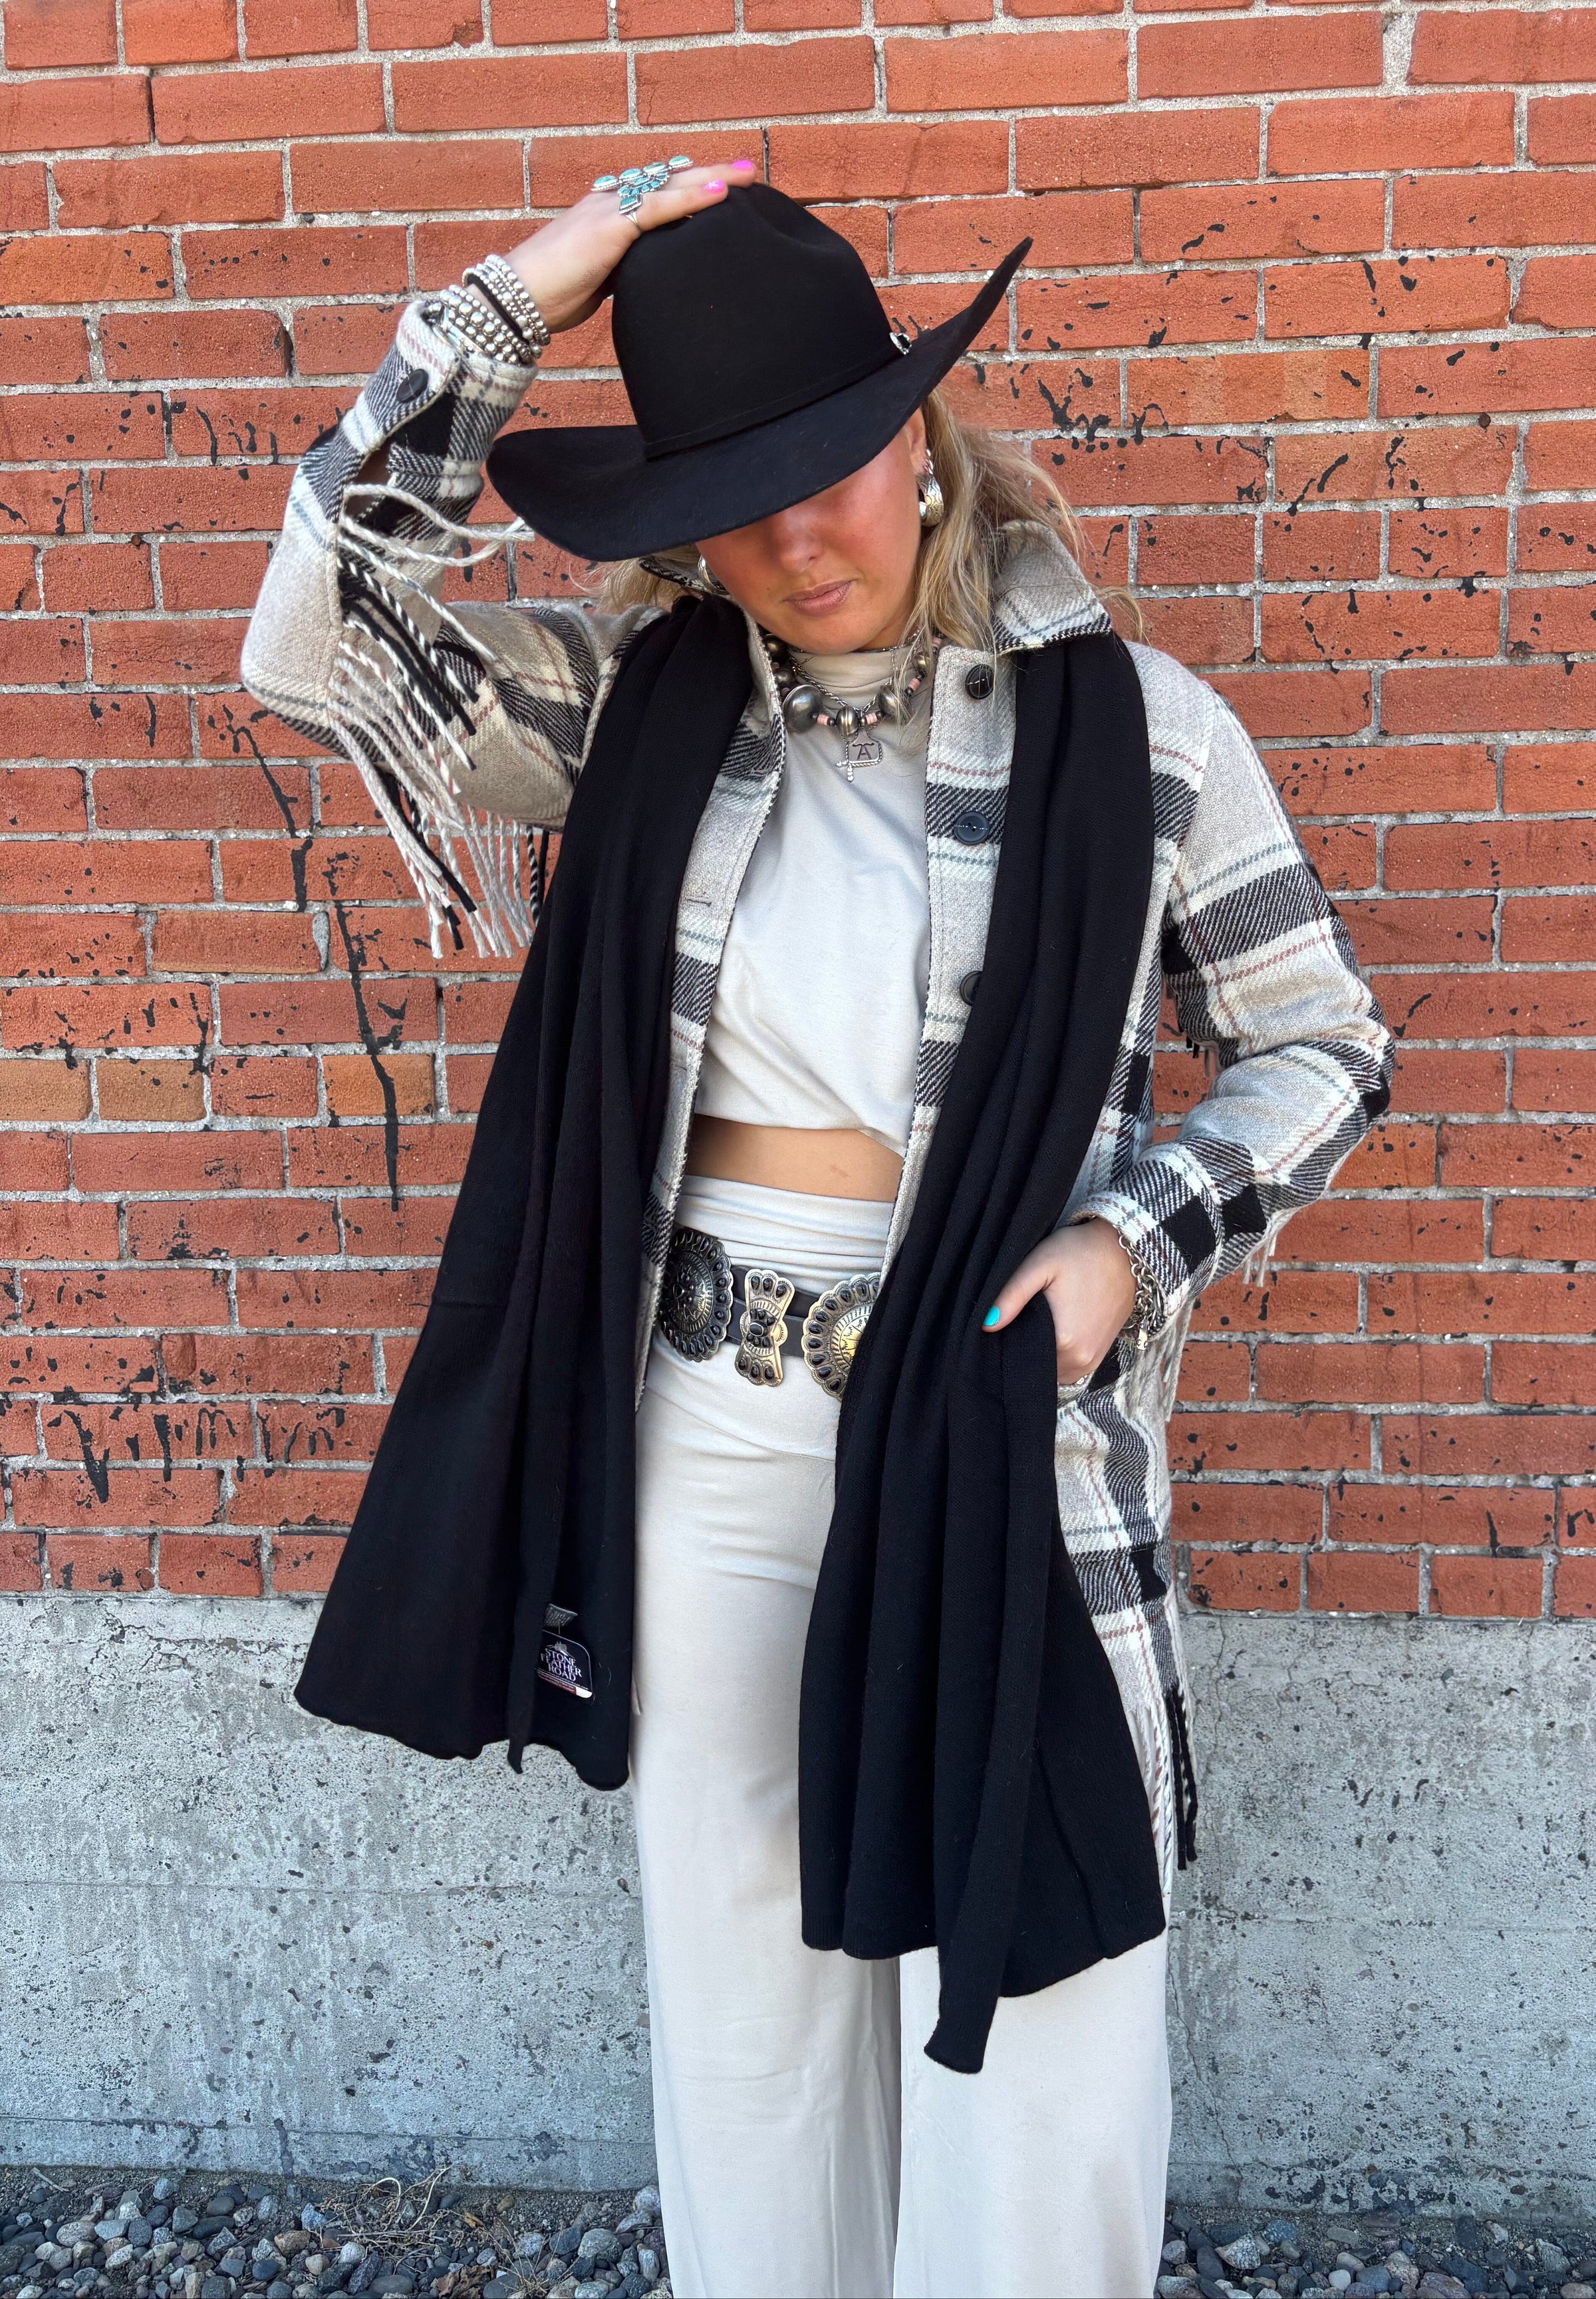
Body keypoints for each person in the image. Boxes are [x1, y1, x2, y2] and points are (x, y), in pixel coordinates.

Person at [241, 162, 1393, 2299]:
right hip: (716, 1443)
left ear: (923, 436)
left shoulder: (1138, 731)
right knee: (751, 2014)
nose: (800, 542)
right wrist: (515, 300)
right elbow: (319, 638)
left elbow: (1322, 1039)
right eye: (735, 504)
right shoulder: (637, 708)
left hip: (1004, 1436)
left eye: (835, 469)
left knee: (1033, 2015)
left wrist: (1131, 1241)